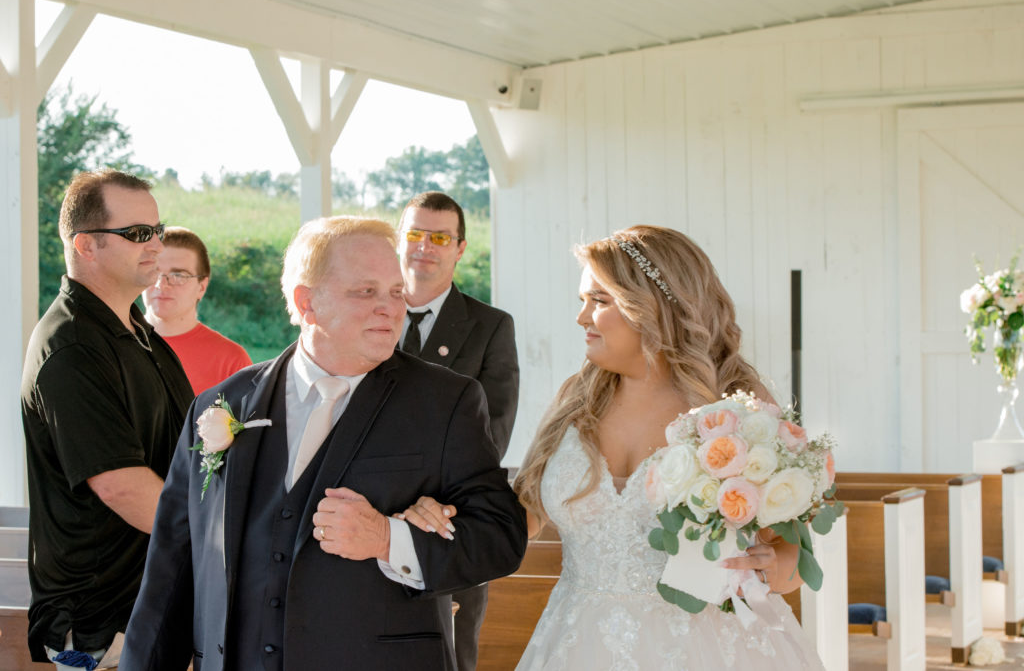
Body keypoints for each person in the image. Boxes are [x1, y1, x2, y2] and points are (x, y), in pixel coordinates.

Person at [402, 226, 825, 669]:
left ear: (655, 307)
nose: (582, 318)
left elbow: (795, 553)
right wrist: (442, 516)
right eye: (583, 301)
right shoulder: (576, 401)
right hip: (579, 642)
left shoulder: (735, 407)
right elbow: (519, 518)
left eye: (599, 302)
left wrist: (775, 566)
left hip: (711, 647)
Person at [120, 216, 528, 671]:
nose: (390, 308)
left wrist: (388, 539)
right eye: (365, 291)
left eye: (395, 292)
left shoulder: (445, 401)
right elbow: (172, 569)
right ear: (306, 301)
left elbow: (501, 537)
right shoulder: (219, 404)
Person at [20, 169, 194, 668]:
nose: (156, 244)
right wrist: (224, 541)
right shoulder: (71, 345)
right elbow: (120, 485)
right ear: (86, 246)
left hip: (153, 609)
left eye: (158, 230)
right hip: (106, 629)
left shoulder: (140, 332)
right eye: (138, 234)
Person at [397, 191, 519, 670]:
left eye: (440, 237)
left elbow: (493, 431)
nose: (425, 246)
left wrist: (427, 503)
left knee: (451, 655)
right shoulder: (370, 316)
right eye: (414, 234)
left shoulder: (490, 326)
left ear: (460, 248)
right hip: (373, 514)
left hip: (453, 518)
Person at [142, 226, 251, 395]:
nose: (161, 285)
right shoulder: (113, 346)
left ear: (202, 287)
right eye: (155, 272)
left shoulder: (231, 361)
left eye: (178, 276)